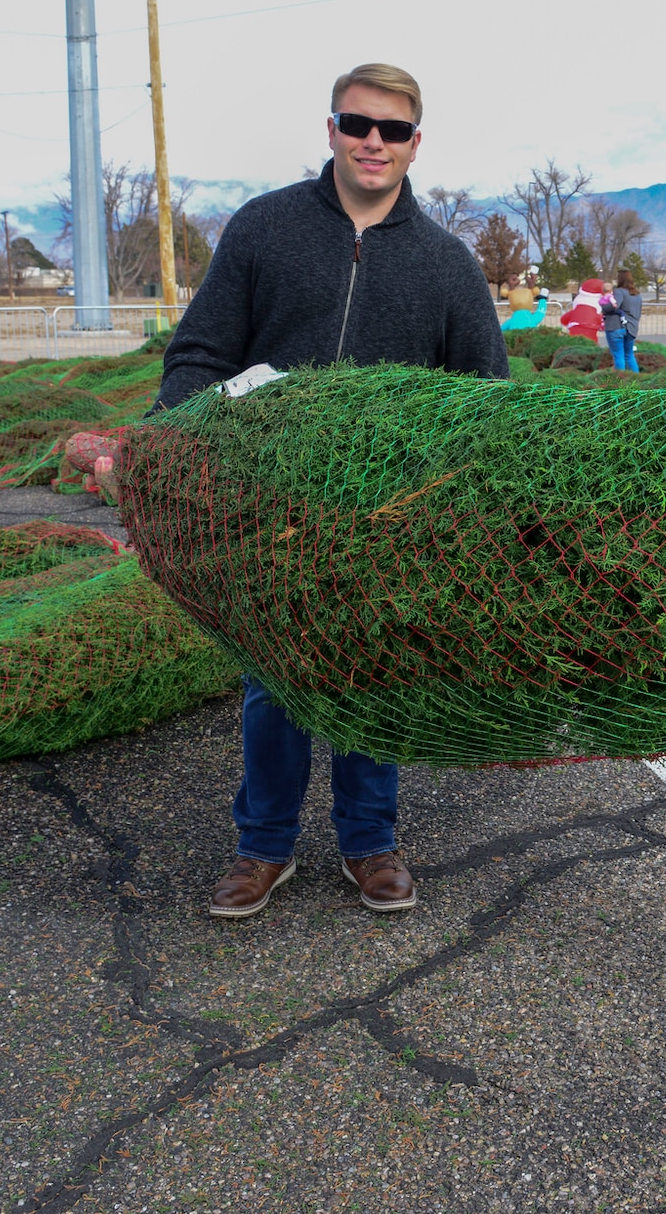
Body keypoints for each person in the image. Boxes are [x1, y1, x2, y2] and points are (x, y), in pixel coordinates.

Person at [155, 63, 508, 920]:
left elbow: (486, 393)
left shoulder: (445, 263)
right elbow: (203, 351)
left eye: (392, 130)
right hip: (270, 500)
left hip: (386, 512)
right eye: (358, 124)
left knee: (372, 670)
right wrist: (170, 433)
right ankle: (263, 846)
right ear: (332, 130)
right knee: (273, 677)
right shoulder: (265, 229)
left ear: (416, 143)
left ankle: (369, 841)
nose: (373, 142)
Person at [605, 268, 644, 371]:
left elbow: (614, 306)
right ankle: (637, 381)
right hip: (632, 328)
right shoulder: (637, 295)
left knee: (618, 356)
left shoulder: (619, 292)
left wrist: (603, 307)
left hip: (616, 327)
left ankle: (620, 382)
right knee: (629, 356)